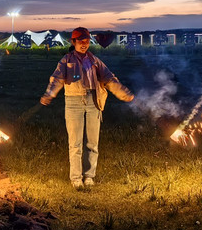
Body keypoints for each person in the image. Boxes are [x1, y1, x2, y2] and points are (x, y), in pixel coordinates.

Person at [40, 27, 134, 189]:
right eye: (80, 41)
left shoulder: (94, 61)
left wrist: (123, 93)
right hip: (73, 102)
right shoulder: (66, 61)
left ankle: (89, 176)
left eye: (86, 41)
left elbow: (109, 78)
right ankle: (76, 178)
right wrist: (50, 94)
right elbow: (57, 79)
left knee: (92, 143)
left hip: (94, 102)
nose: (84, 44)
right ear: (73, 42)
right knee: (75, 143)